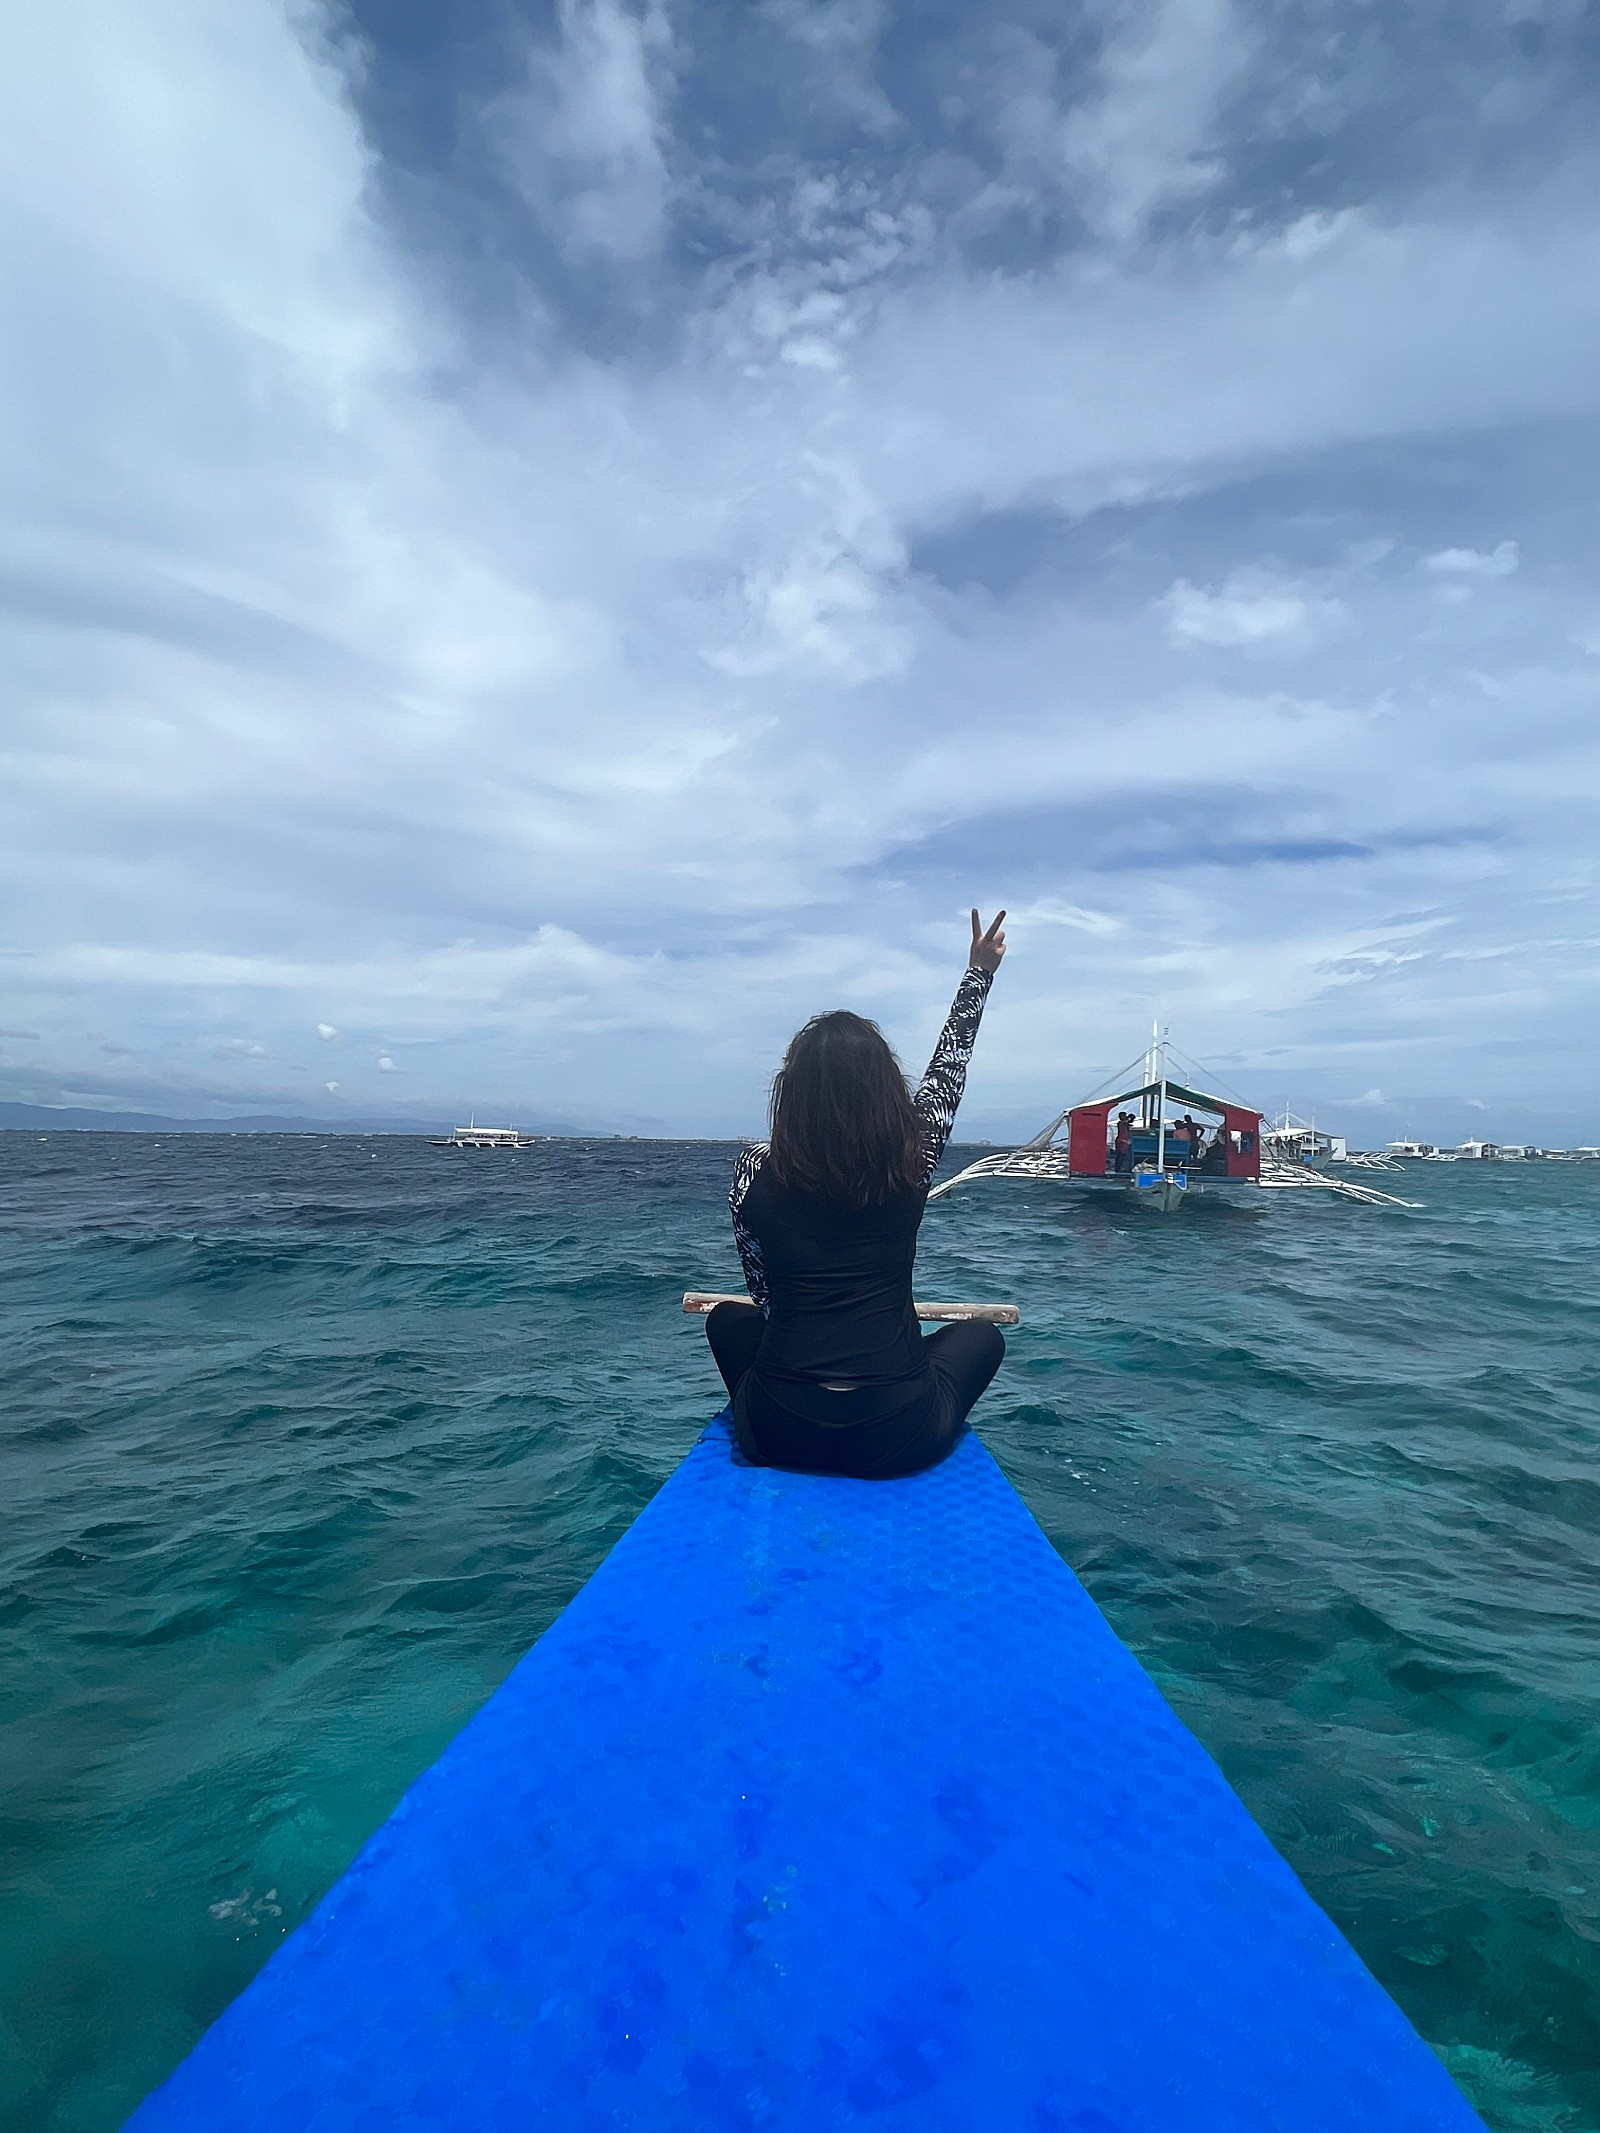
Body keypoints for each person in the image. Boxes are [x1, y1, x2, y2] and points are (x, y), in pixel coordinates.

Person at [705, 909, 1008, 1480]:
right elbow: (949, 1072)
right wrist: (978, 974)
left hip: (776, 1431)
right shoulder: (911, 1162)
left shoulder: (753, 1171)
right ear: (886, 1092)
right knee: (981, 1337)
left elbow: (764, 1296)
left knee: (726, 1320)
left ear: (790, 1095)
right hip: (895, 1432)